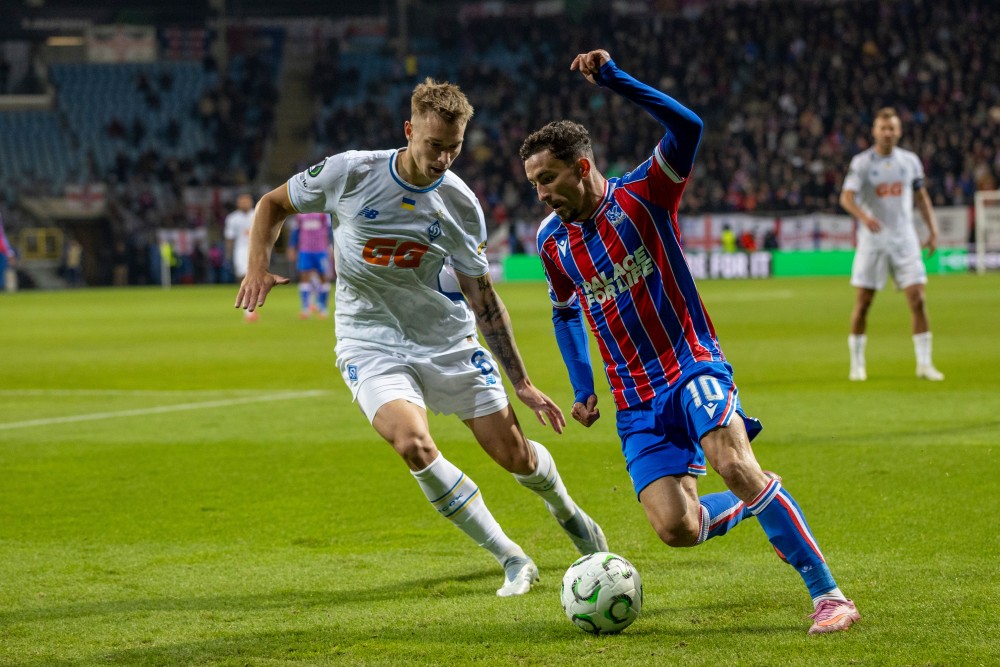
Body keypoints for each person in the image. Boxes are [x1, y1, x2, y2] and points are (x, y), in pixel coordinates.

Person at [520, 49, 860, 634]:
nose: (541, 193)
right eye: (533, 184)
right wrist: (582, 386)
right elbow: (565, 309)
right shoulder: (551, 241)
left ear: (581, 166)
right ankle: (759, 501)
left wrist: (615, 79)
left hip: (690, 364)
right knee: (677, 528)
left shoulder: (644, 193)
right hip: (634, 398)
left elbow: (689, 126)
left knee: (732, 462)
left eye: (547, 179)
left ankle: (829, 595)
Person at [235, 77, 607, 597]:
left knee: (515, 456)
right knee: (412, 443)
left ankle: (569, 513)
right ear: (409, 131)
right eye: (435, 145)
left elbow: (483, 298)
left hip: (446, 340)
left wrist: (521, 381)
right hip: (369, 339)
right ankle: (512, 557)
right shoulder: (352, 172)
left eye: (454, 148)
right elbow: (272, 204)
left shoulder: (460, 204)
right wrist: (257, 267)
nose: (444, 159)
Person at [839, 107, 943, 382]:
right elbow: (846, 197)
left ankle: (924, 364)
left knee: (918, 299)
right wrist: (864, 217)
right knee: (863, 303)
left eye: (892, 128)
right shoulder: (862, 163)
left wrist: (933, 230)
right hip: (873, 242)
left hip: (904, 240)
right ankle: (857, 364)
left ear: (899, 132)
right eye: (883, 128)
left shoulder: (910, 161)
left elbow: (921, 197)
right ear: (874, 131)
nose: (887, 133)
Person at [286, 211, 335, 319]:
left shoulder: (324, 213)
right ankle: (305, 308)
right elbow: (295, 231)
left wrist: (332, 247)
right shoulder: (300, 213)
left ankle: (323, 307)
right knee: (304, 277)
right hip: (305, 250)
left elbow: (330, 231)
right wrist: (292, 247)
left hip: (321, 250)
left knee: (323, 277)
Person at [224, 193, 257, 321]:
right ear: (238, 203)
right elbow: (229, 238)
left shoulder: (257, 214)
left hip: (256, 249)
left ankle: (250, 307)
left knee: (254, 278)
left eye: (247, 201)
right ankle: (248, 309)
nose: (245, 203)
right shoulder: (232, 218)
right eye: (242, 201)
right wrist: (228, 255)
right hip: (241, 250)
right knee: (243, 276)